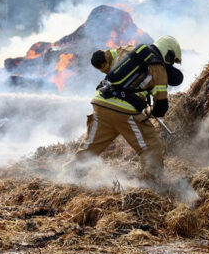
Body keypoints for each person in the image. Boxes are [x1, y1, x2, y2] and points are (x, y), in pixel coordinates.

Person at [66, 35, 183, 182]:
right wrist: (150, 112)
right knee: (151, 148)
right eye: (172, 61)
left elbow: (102, 59)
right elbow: (161, 106)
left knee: (89, 150)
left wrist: (100, 58)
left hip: (101, 103)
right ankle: (153, 184)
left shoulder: (129, 50)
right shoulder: (159, 70)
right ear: (168, 54)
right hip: (125, 112)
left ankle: (65, 178)